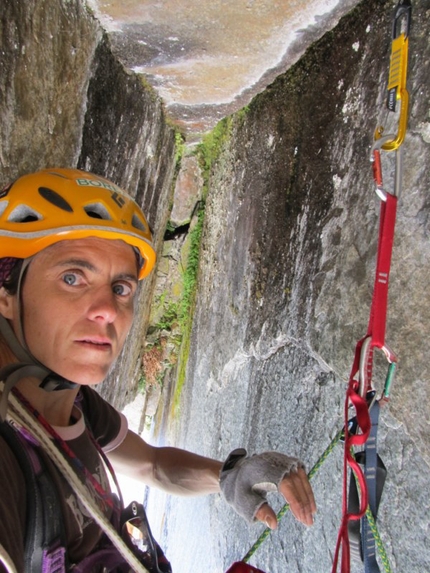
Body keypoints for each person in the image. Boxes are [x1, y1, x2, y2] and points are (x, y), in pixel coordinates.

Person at [0, 168, 316, 573]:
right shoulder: (9, 453)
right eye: (73, 277)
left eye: (121, 288)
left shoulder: (73, 403)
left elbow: (151, 464)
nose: (109, 310)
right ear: (6, 293)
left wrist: (228, 475)